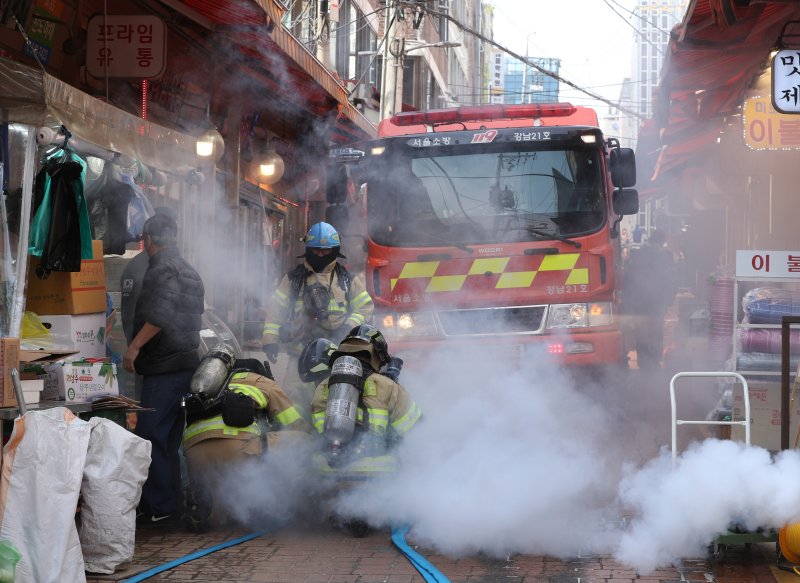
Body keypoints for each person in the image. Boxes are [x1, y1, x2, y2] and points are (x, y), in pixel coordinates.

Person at [123, 213, 205, 525]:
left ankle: (159, 506)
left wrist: (135, 346)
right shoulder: (189, 269)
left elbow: (160, 313)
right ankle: (171, 503)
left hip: (164, 367)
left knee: (149, 435)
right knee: (168, 439)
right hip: (185, 363)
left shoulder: (161, 269)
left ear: (149, 240)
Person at [182, 357, 311, 531]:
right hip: (236, 452)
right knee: (303, 440)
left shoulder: (209, 386)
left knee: (222, 512)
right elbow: (294, 422)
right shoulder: (261, 381)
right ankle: (282, 504)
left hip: (195, 456)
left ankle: (207, 506)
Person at [261, 222, 373, 387]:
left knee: (334, 401)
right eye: (316, 250)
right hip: (301, 355)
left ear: (334, 250)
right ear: (308, 249)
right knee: (294, 402)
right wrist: (270, 340)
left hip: (337, 355)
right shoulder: (294, 279)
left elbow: (365, 307)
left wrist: (347, 327)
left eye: (325, 250)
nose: (320, 255)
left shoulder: (346, 279)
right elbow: (275, 310)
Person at [310, 325, 421, 464]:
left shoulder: (324, 385)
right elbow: (416, 430)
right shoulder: (387, 385)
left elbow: (317, 427)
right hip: (377, 468)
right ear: (377, 355)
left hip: (332, 466)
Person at [121, 207, 178, 345]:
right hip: (151, 349)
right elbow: (130, 310)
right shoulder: (140, 266)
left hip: (161, 350)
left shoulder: (172, 264)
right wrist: (134, 344)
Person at [622, 228, 677, 371]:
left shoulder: (637, 254)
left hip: (639, 301)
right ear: (662, 241)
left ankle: (642, 359)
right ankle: (655, 360)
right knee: (656, 330)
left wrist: (629, 301)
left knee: (641, 330)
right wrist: (669, 300)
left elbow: (628, 278)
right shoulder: (666, 256)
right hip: (658, 302)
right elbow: (671, 280)